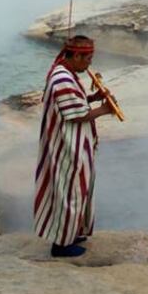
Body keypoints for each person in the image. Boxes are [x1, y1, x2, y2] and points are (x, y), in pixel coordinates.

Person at [33, 35, 115, 257]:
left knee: (79, 189)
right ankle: (61, 244)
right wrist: (107, 109)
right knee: (70, 191)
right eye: (87, 58)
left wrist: (94, 97)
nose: (89, 63)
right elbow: (77, 115)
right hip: (67, 146)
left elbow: (75, 103)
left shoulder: (65, 73)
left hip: (75, 143)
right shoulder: (62, 80)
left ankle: (72, 231)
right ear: (76, 55)